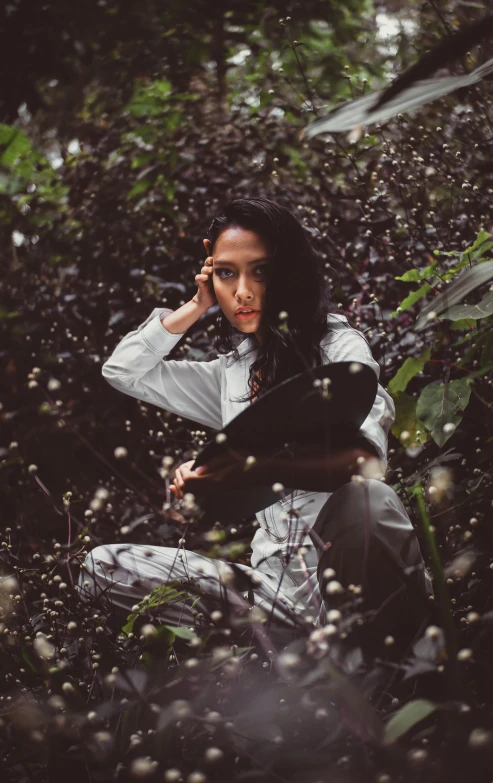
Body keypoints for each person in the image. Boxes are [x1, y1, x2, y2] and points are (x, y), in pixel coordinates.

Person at [78, 198, 434, 659]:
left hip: (361, 584)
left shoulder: (339, 348)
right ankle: (285, 659)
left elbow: (364, 463)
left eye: (260, 272)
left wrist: (247, 468)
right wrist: (195, 304)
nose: (242, 291)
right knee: (101, 567)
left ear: (288, 272)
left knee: (367, 500)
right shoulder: (230, 375)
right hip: (276, 599)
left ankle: (375, 656)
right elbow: (123, 371)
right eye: (227, 273)